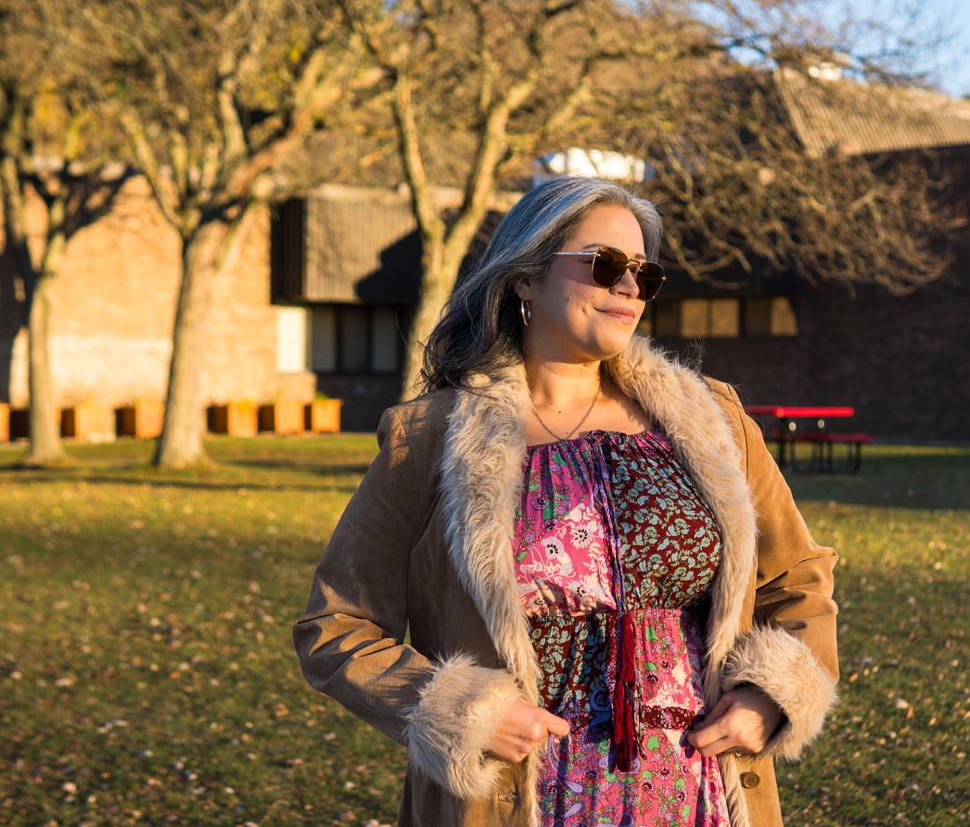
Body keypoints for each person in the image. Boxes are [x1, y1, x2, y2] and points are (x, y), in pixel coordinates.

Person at [293, 176, 840, 827]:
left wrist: (769, 693)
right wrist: (461, 710)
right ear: (526, 276)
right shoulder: (433, 438)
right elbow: (336, 625)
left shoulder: (711, 420)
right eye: (605, 264)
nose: (629, 286)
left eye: (645, 272)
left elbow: (797, 579)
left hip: (699, 794)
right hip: (517, 799)